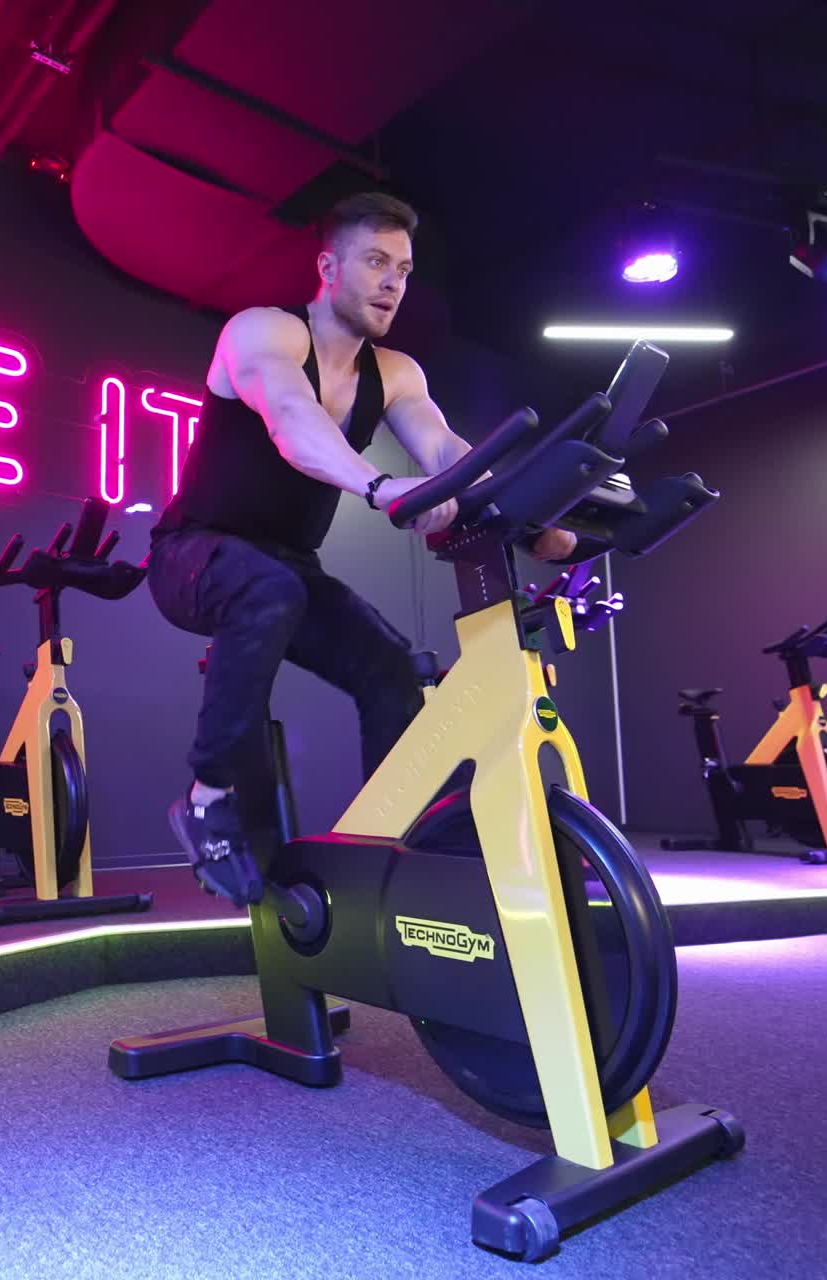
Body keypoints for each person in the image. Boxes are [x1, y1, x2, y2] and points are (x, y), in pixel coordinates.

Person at [148, 192, 575, 904]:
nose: (391, 283)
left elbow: (447, 450)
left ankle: (397, 839)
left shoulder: (398, 373)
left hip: (288, 568)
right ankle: (207, 797)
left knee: (393, 671)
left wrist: (533, 518)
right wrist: (378, 487)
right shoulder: (264, 333)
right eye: (375, 262)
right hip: (193, 554)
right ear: (328, 266)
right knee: (268, 589)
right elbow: (291, 417)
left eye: (403, 271)